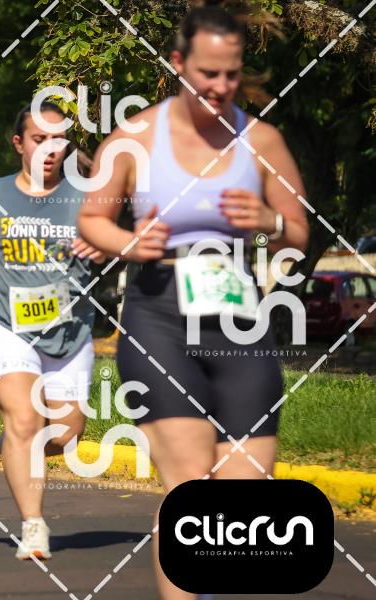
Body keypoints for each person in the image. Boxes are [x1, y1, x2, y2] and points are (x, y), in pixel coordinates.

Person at [76, 6, 308, 598]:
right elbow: (93, 220)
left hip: (238, 320)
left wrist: (269, 222)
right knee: (189, 490)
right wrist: (131, 243)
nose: (221, 86)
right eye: (208, 73)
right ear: (179, 64)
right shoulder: (133, 139)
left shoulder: (262, 141)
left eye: (231, 73)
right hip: (159, 315)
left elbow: (299, 235)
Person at [0, 102, 104, 560]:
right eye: (38, 139)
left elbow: (123, 240)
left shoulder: (88, 197)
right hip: (6, 325)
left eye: (57, 140)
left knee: (65, 436)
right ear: (18, 144)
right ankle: (34, 526)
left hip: (69, 333)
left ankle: (12, 444)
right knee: (26, 420)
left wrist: (104, 245)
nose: (48, 149)